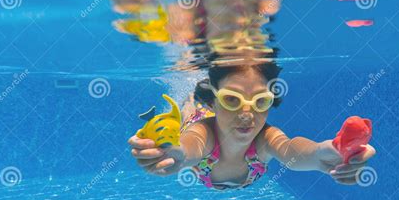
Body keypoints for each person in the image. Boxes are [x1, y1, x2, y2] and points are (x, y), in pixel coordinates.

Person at [128, 62, 376, 190]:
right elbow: (191, 146)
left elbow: (291, 150)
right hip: (201, 117)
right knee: (190, 112)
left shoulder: (265, 138)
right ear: (216, 99)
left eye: (260, 102)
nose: (247, 114)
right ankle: (191, 101)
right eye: (232, 99)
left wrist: (325, 152)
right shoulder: (205, 132)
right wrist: (176, 155)